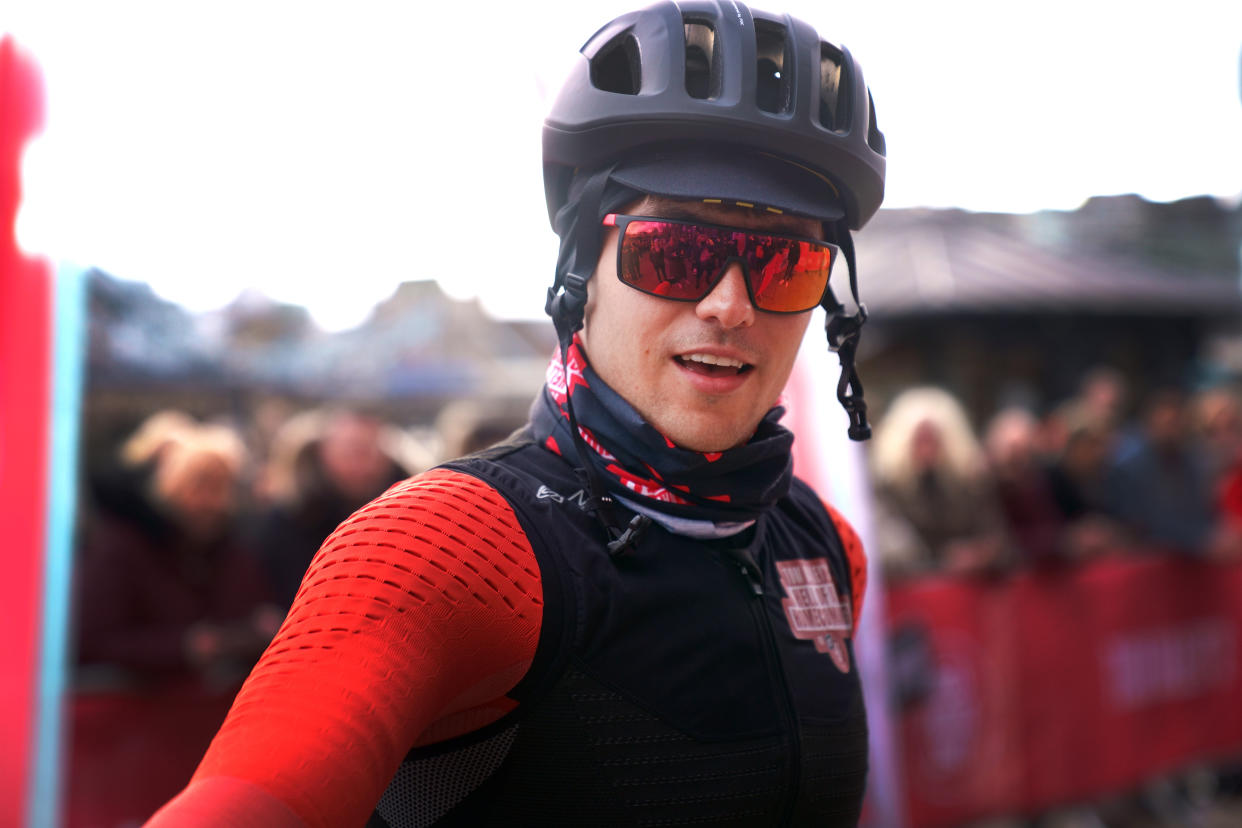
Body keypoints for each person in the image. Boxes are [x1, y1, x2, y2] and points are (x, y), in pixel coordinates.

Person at [149, 2, 884, 825]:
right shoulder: (447, 542)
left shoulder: (825, 545)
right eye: (677, 252)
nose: (728, 306)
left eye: (785, 264)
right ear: (582, 272)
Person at [869, 387, 1010, 580]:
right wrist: (938, 559)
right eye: (921, 439)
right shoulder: (886, 486)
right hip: (913, 589)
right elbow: (891, 546)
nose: (927, 448)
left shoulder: (971, 483)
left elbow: (996, 536)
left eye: (933, 439)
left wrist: (980, 554)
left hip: (965, 587)